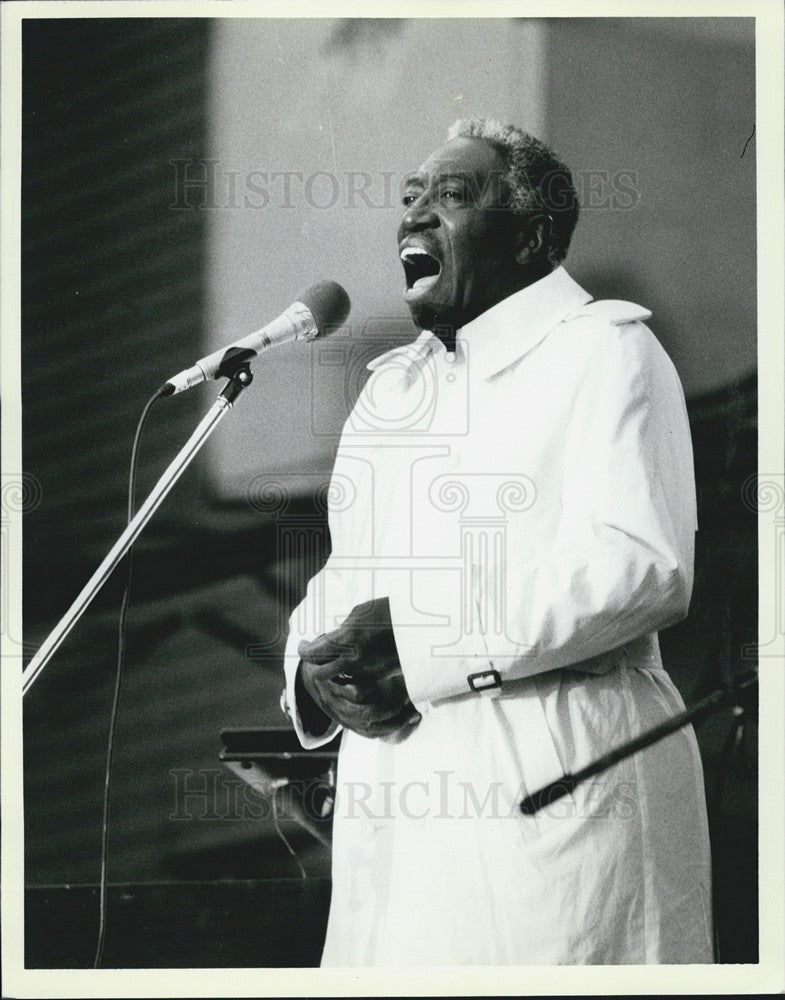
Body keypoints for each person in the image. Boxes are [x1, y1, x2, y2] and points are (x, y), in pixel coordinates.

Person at [281, 118, 714, 965]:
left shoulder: (602, 351)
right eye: (407, 200)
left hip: (554, 793)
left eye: (448, 197)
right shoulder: (392, 390)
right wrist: (311, 665)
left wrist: (419, 640)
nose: (412, 219)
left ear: (532, 234)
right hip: (398, 825)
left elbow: (642, 565)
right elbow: (345, 574)